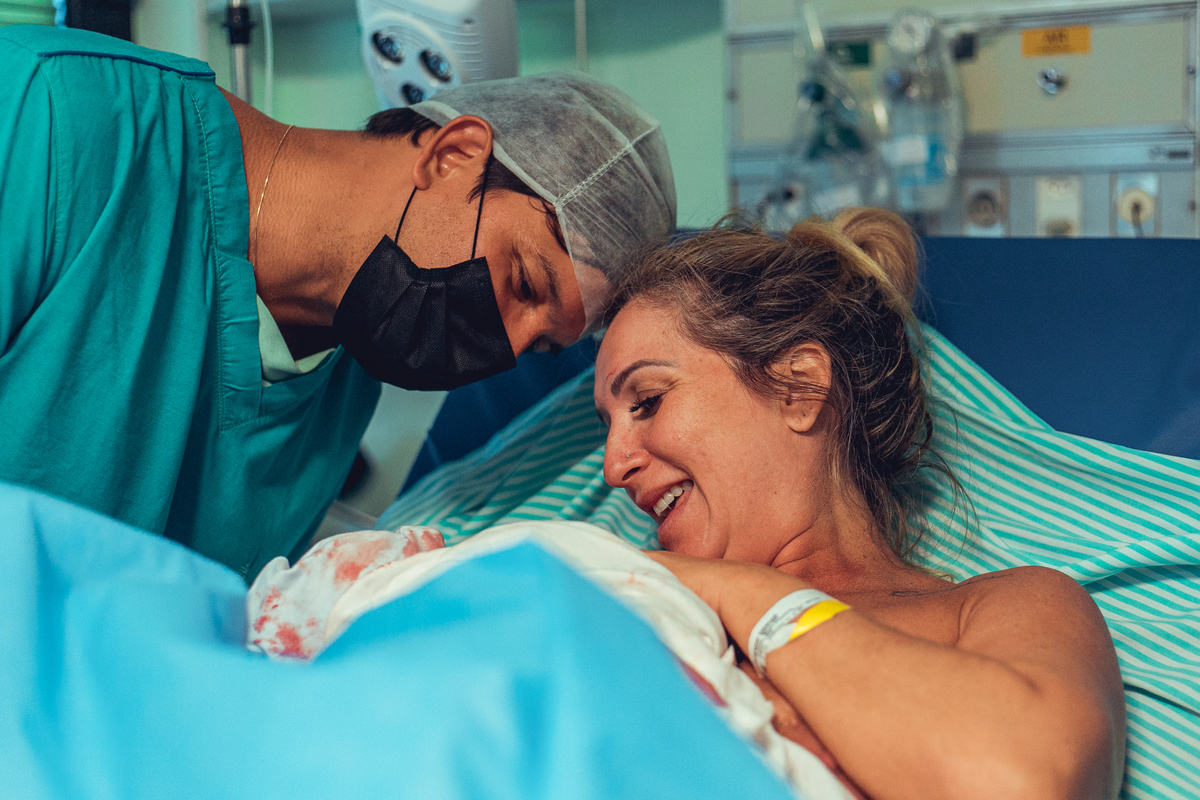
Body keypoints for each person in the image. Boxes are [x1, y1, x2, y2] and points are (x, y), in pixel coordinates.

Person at [0, 25, 675, 581]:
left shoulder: (340, 384)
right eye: (525, 283)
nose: (510, 346)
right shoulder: (51, 123)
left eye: (546, 346)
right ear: (453, 155)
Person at [593, 208, 1125, 800]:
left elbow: (1025, 782)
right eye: (606, 427)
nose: (614, 466)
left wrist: (740, 594)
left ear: (799, 386)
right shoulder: (620, 596)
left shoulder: (1008, 608)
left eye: (647, 401)